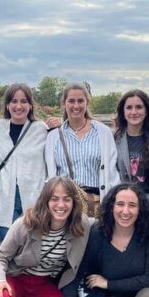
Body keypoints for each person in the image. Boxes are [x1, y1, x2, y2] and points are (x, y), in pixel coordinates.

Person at [0, 176, 94, 297]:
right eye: (54, 199)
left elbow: (106, 223)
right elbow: (0, 256)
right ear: (45, 201)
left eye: (67, 199)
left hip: (43, 284)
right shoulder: (26, 224)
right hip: (16, 277)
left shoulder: (82, 224)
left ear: (74, 203)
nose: (61, 205)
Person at [67, 183, 149, 297]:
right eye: (120, 204)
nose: (125, 211)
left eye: (132, 205)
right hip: (119, 295)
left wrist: (108, 284)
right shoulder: (98, 234)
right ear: (111, 207)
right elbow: (78, 271)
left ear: (140, 209)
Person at [46, 82, 120, 214]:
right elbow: (51, 174)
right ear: (63, 104)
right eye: (71, 101)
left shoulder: (103, 133)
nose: (76, 106)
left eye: (80, 101)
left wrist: (113, 202)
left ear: (87, 102)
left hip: (97, 203)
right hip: (65, 205)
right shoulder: (54, 136)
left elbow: (112, 173)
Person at [0, 83, 49, 241]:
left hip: (33, 200)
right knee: (10, 251)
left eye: (23, 101)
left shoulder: (41, 130)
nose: (18, 106)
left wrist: (59, 123)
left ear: (30, 105)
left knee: (31, 252)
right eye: (14, 101)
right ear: (7, 105)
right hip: (4, 200)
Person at [113, 89, 149, 220]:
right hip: (126, 205)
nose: (134, 112)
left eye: (139, 107)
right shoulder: (114, 139)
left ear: (147, 111)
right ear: (123, 112)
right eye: (129, 107)